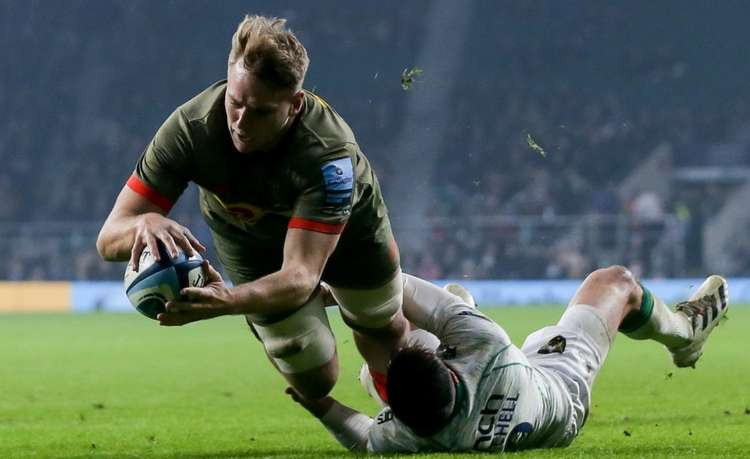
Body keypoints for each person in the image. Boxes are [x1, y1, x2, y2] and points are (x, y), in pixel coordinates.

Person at [96, 15, 408, 401]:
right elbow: (108, 239)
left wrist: (226, 300)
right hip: (248, 240)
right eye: (235, 102)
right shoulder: (190, 128)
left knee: (380, 325)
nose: (241, 121)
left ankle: (406, 300)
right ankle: (322, 301)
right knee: (316, 379)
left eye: (260, 112)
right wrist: (144, 221)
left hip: (347, 233)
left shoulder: (330, 156)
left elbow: (299, 275)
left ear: (294, 105)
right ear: (228, 78)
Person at [289, 267, 729, 453]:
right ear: (448, 367)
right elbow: (392, 282)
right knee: (616, 282)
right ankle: (685, 335)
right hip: (559, 391)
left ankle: (377, 372)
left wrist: (319, 404)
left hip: (516, 410)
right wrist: (330, 287)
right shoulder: (487, 347)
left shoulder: (409, 436)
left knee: (380, 343)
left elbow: (364, 438)